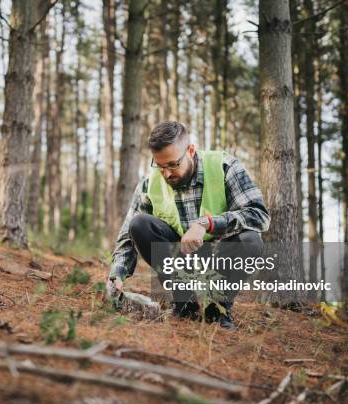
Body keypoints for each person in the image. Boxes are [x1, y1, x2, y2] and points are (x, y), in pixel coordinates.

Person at [106, 121, 270, 331]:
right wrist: (117, 275)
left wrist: (207, 223)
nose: (166, 174)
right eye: (160, 165)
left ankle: (216, 309)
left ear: (190, 150)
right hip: (181, 261)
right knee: (139, 224)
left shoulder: (224, 166)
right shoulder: (149, 183)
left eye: (173, 164)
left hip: (221, 258)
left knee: (250, 240)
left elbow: (258, 214)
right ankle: (185, 304)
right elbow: (127, 238)